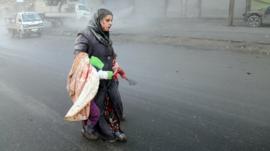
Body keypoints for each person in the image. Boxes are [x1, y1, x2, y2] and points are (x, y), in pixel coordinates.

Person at [74, 8, 127, 142]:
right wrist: (100, 73)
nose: (110, 24)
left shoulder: (104, 34)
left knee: (114, 103)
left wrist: (115, 64)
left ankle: (114, 130)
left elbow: (110, 54)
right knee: (98, 109)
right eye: (107, 20)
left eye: (111, 21)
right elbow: (79, 59)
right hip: (95, 81)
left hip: (109, 79)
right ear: (99, 20)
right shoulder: (85, 35)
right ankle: (95, 130)